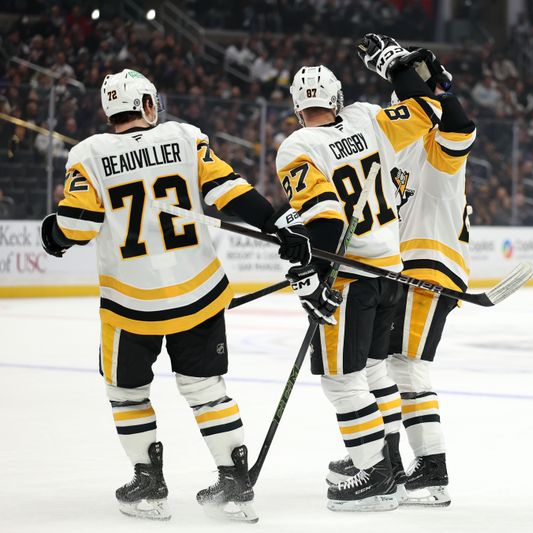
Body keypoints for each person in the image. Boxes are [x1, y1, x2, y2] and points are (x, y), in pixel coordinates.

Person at [38, 69, 330, 522]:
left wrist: (50, 233)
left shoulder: (88, 154)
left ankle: (148, 487)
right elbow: (230, 193)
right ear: (149, 106)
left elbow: (75, 227)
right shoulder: (182, 137)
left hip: (129, 304)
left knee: (126, 392)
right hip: (198, 292)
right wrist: (275, 225)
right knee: (207, 391)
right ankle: (235, 487)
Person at [274, 35, 443, 511]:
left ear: (297, 106)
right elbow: (429, 107)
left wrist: (312, 271)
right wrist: (398, 67)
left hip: (350, 275)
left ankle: (375, 476)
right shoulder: (370, 117)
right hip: (390, 268)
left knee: (341, 380)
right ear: (337, 99)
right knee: (371, 370)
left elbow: (327, 217)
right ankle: (383, 460)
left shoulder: (297, 145)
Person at [326, 49, 475, 507]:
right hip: (402, 268)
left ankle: (427, 472)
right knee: (387, 366)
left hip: (428, 264)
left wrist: (413, 72)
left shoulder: (437, 143)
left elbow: (459, 124)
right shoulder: (392, 145)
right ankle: (385, 455)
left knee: (407, 368)